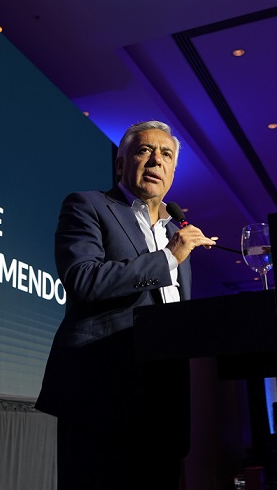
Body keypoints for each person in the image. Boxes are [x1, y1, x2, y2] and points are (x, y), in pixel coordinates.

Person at [35, 121, 215, 490]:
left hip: (164, 404)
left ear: (173, 171)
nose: (156, 160)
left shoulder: (175, 232)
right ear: (120, 164)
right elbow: (83, 279)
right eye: (145, 150)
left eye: (166, 155)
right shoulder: (88, 205)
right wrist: (168, 257)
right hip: (101, 398)